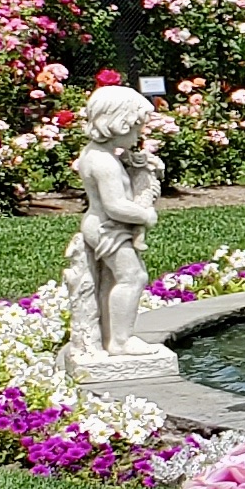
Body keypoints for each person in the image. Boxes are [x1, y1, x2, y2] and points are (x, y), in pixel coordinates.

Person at [58, 85, 164, 362]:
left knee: (113, 279)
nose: (139, 135)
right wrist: (144, 215)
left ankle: (109, 336)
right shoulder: (103, 162)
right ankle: (120, 341)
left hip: (103, 226)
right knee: (133, 277)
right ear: (117, 124)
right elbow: (115, 206)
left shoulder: (95, 154)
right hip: (108, 228)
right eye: (135, 128)